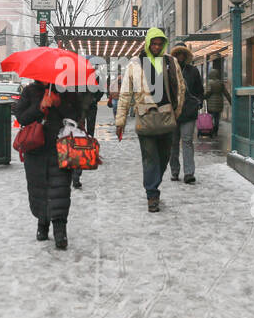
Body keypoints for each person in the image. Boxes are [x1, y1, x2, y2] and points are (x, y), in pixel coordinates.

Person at [115, 27, 185, 212]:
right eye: (153, 43)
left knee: (164, 157)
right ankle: (152, 194)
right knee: (149, 158)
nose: (156, 46)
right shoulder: (135, 64)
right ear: (147, 44)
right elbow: (125, 94)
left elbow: (181, 88)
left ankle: (154, 184)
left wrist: (176, 112)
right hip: (145, 119)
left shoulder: (171, 62)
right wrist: (120, 121)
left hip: (167, 118)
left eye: (159, 43)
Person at [14, 80, 83, 249]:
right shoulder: (30, 91)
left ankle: (60, 231)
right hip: (35, 150)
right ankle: (42, 224)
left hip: (60, 148)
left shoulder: (66, 91)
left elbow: (77, 116)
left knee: (60, 190)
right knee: (38, 188)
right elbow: (20, 117)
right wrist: (40, 107)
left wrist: (59, 104)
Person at [169, 45, 204, 183]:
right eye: (178, 54)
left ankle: (189, 173)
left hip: (189, 111)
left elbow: (200, 90)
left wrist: (198, 103)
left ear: (186, 56)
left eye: (183, 54)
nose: (180, 57)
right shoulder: (169, 70)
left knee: (187, 141)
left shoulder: (193, 71)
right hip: (173, 112)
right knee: (173, 143)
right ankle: (175, 171)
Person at [71, 86, 102, 190]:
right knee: (78, 139)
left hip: (87, 107)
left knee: (88, 132)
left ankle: (89, 150)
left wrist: (95, 99)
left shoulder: (92, 77)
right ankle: (75, 175)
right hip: (76, 111)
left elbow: (100, 89)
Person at [204, 66, 232, 139]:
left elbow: (208, 92)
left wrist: (204, 97)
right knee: (217, 118)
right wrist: (231, 101)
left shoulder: (210, 83)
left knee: (211, 117)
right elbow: (226, 93)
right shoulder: (221, 83)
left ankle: (211, 130)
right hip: (219, 103)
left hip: (211, 103)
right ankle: (216, 131)